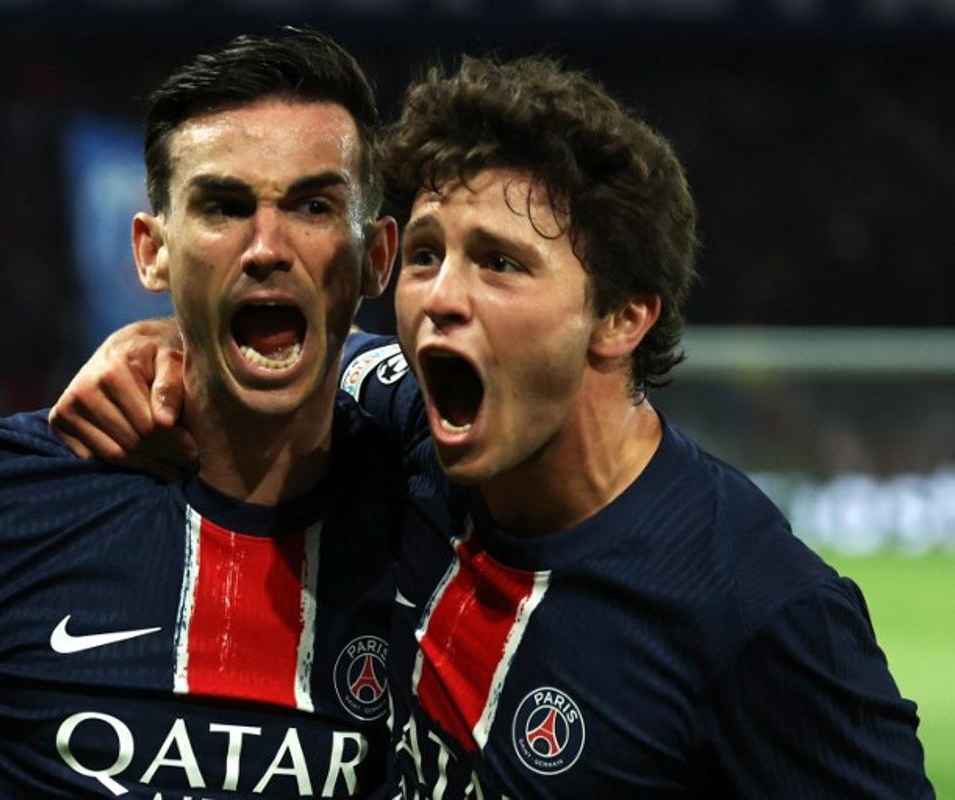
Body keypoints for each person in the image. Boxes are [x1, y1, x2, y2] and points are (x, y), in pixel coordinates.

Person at [51, 56, 934, 797]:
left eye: (500, 264)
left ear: (621, 317)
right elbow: (315, 348)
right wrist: (164, 340)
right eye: (429, 255)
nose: (440, 300)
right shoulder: (413, 427)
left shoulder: (756, 611)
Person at [0, 30, 402, 798]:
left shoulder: (432, 509)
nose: (267, 246)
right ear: (151, 252)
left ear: (376, 257)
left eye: (314, 205)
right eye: (223, 207)